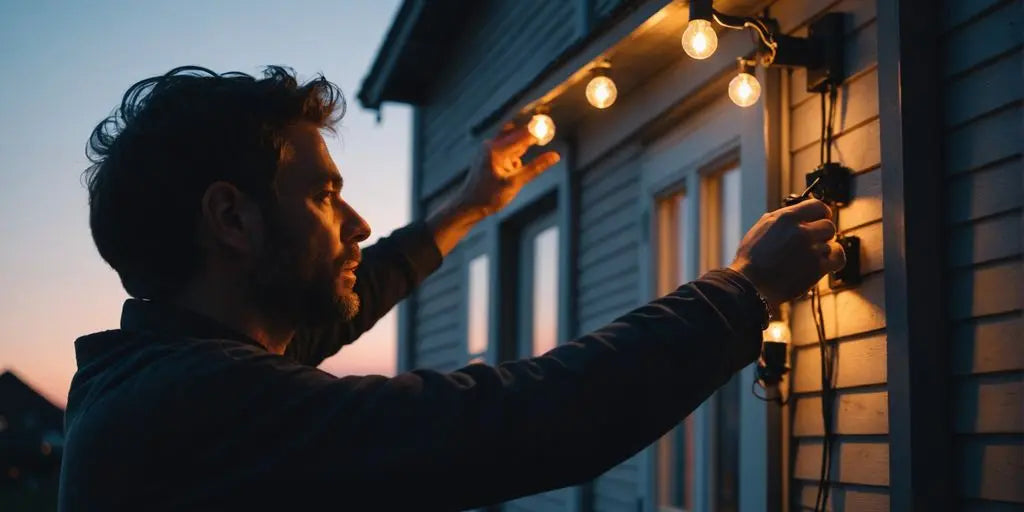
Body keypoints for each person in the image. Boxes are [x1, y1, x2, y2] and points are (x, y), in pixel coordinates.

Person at [59, 66, 844, 511]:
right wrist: (744, 289)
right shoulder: (195, 408)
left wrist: (470, 206)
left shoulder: (162, 374)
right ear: (232, 218)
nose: (358, 224)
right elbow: (521, 417)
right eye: (325, 195)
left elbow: (346, 298)